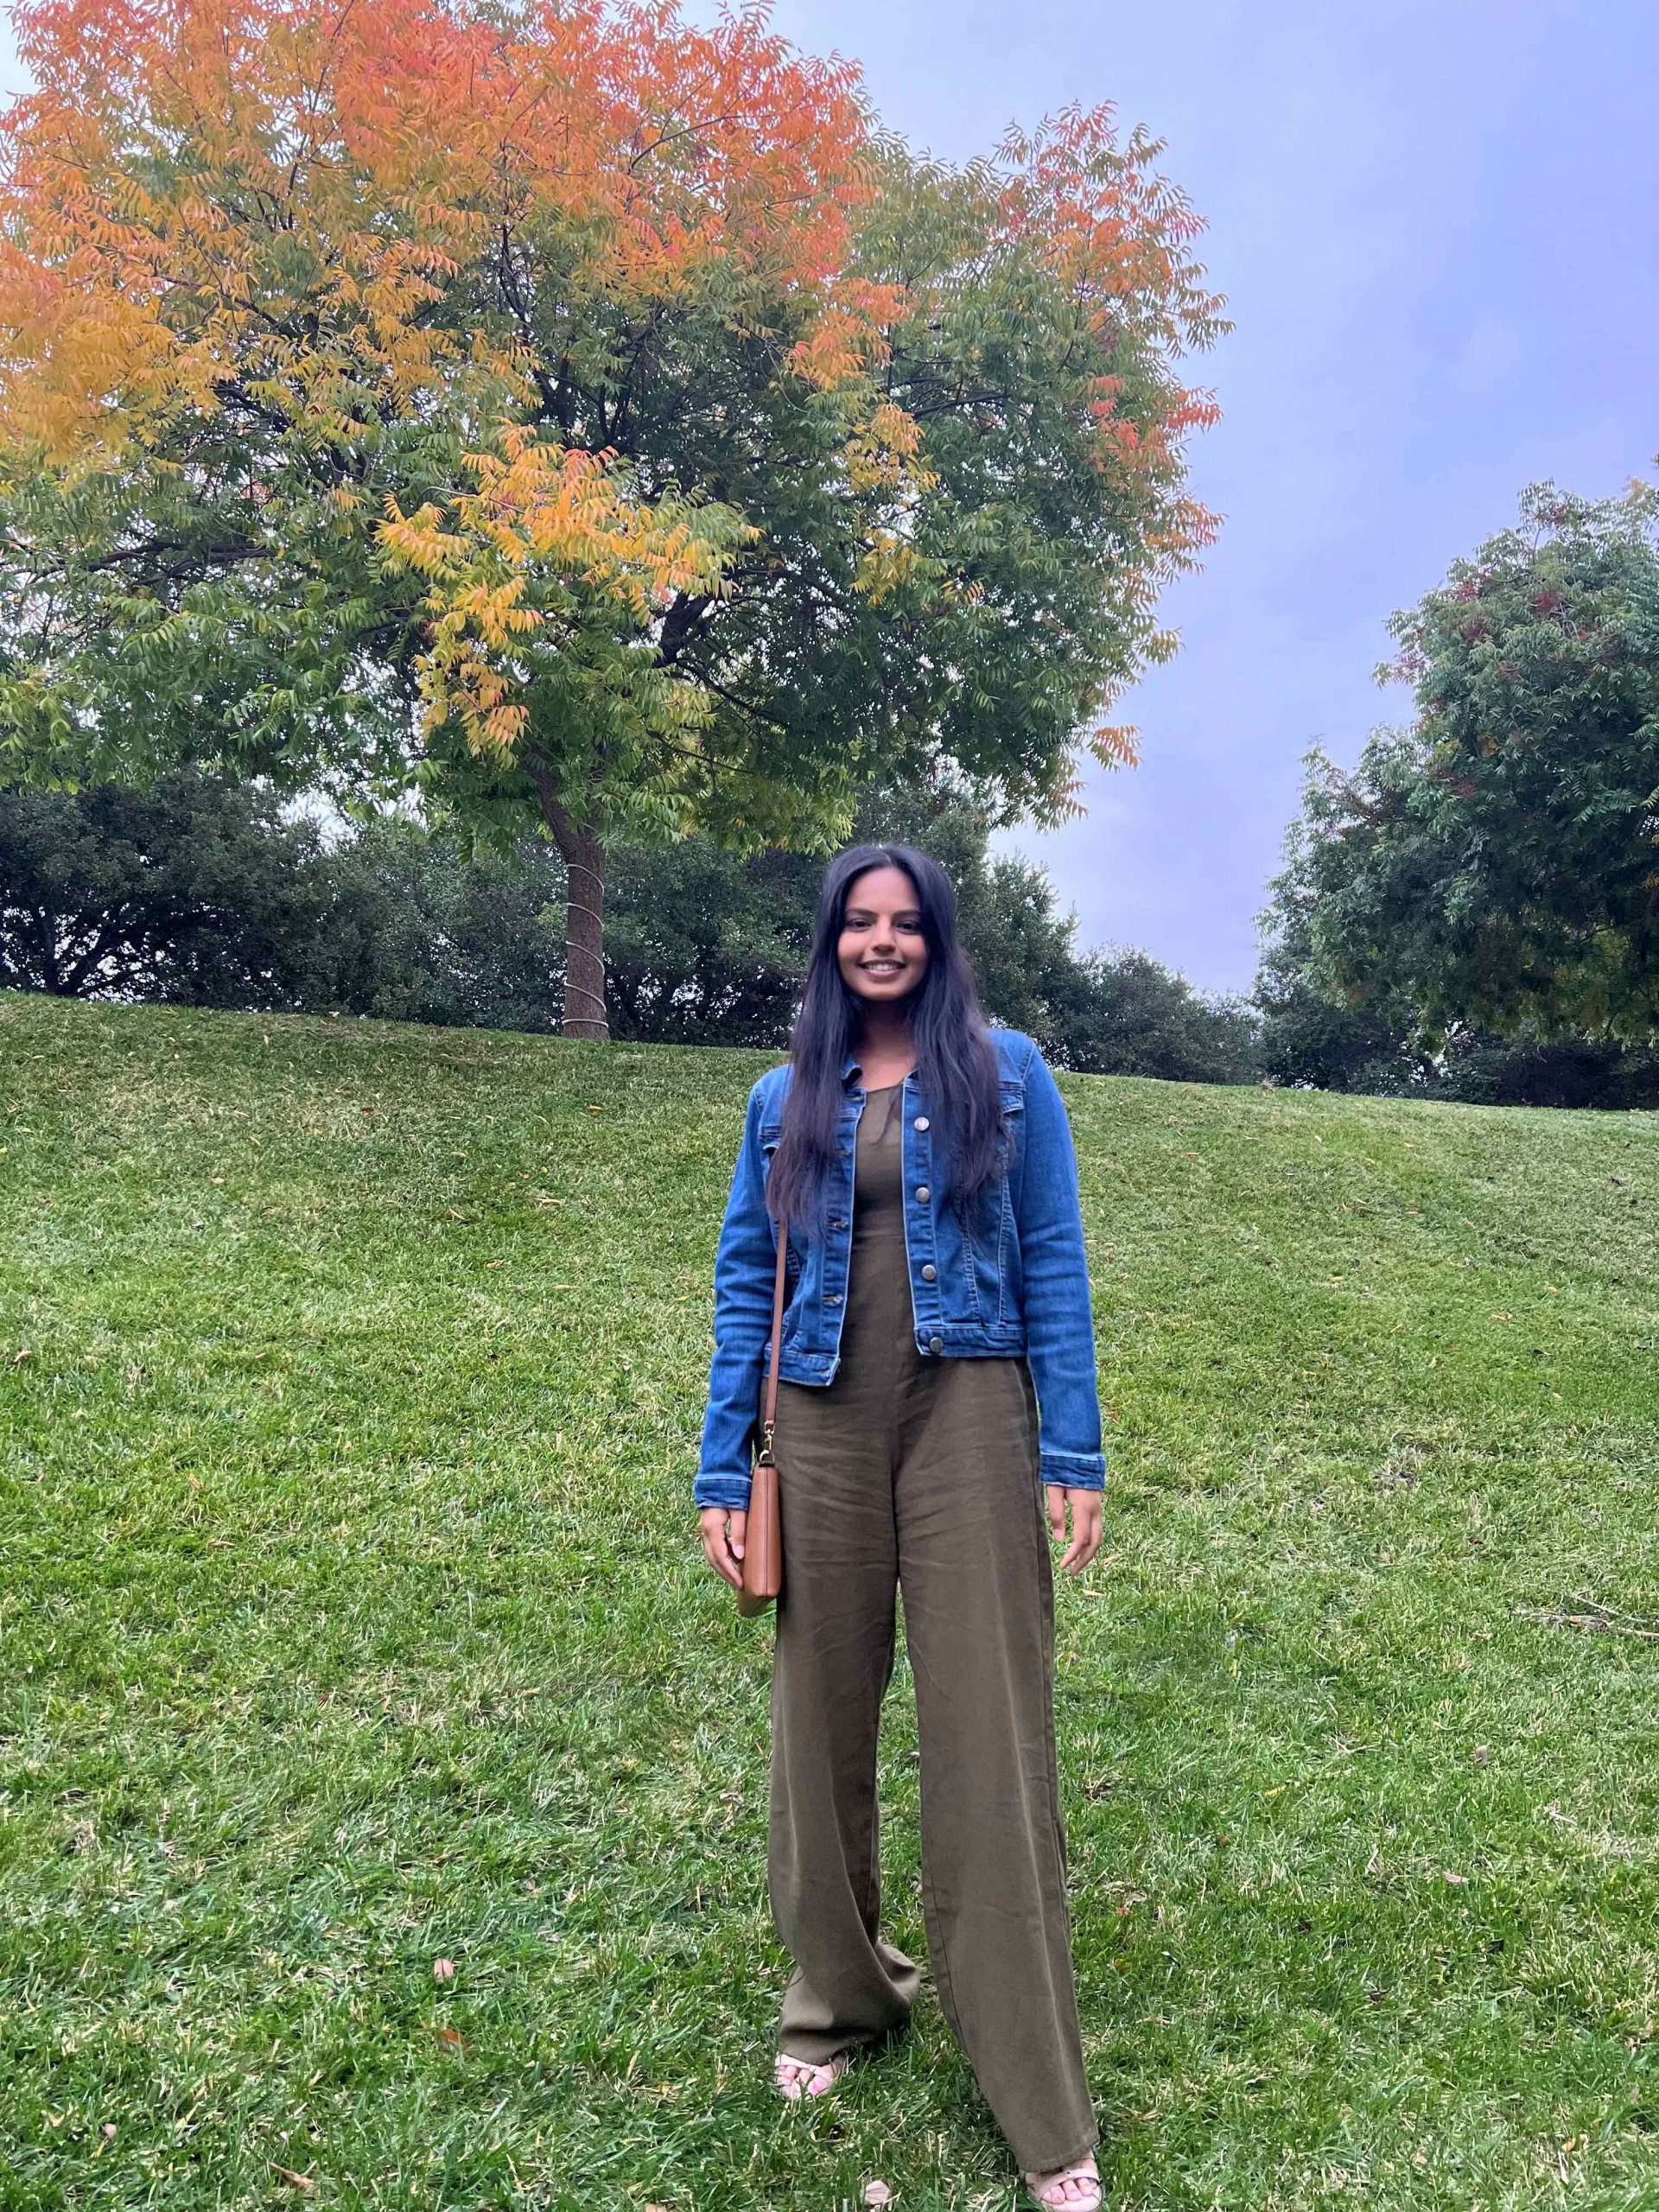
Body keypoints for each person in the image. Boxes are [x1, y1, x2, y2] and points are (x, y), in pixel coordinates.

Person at [696, 843, 1107, 2212]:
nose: (882, 942)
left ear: (937, 940)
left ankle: (1040, 2099)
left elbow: (1053, 1254)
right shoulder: (782, 1096)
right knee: (817, 1723)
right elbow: (749, 1277)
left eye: (905, 923)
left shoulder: (1010, 1069)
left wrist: (1075, 1449)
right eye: (860, 924)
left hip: (971, 1414)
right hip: (815, 1421)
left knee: (987, 1731)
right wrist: (718, 1470)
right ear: (830, 944)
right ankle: (839, 1997)